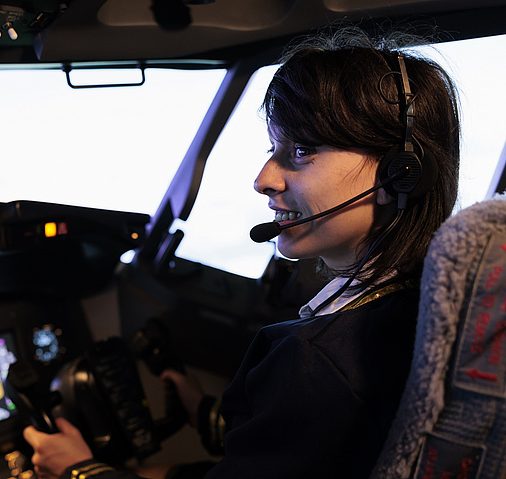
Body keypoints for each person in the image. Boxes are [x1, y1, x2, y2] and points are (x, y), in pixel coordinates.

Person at [24, 26, 460, 479]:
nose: (264, 179)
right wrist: (206, 412)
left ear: (399, 175)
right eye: (274, 148)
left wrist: (78, 470)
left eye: (302, 150)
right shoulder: (419, 304)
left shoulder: (324, 362)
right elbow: (308, 451)